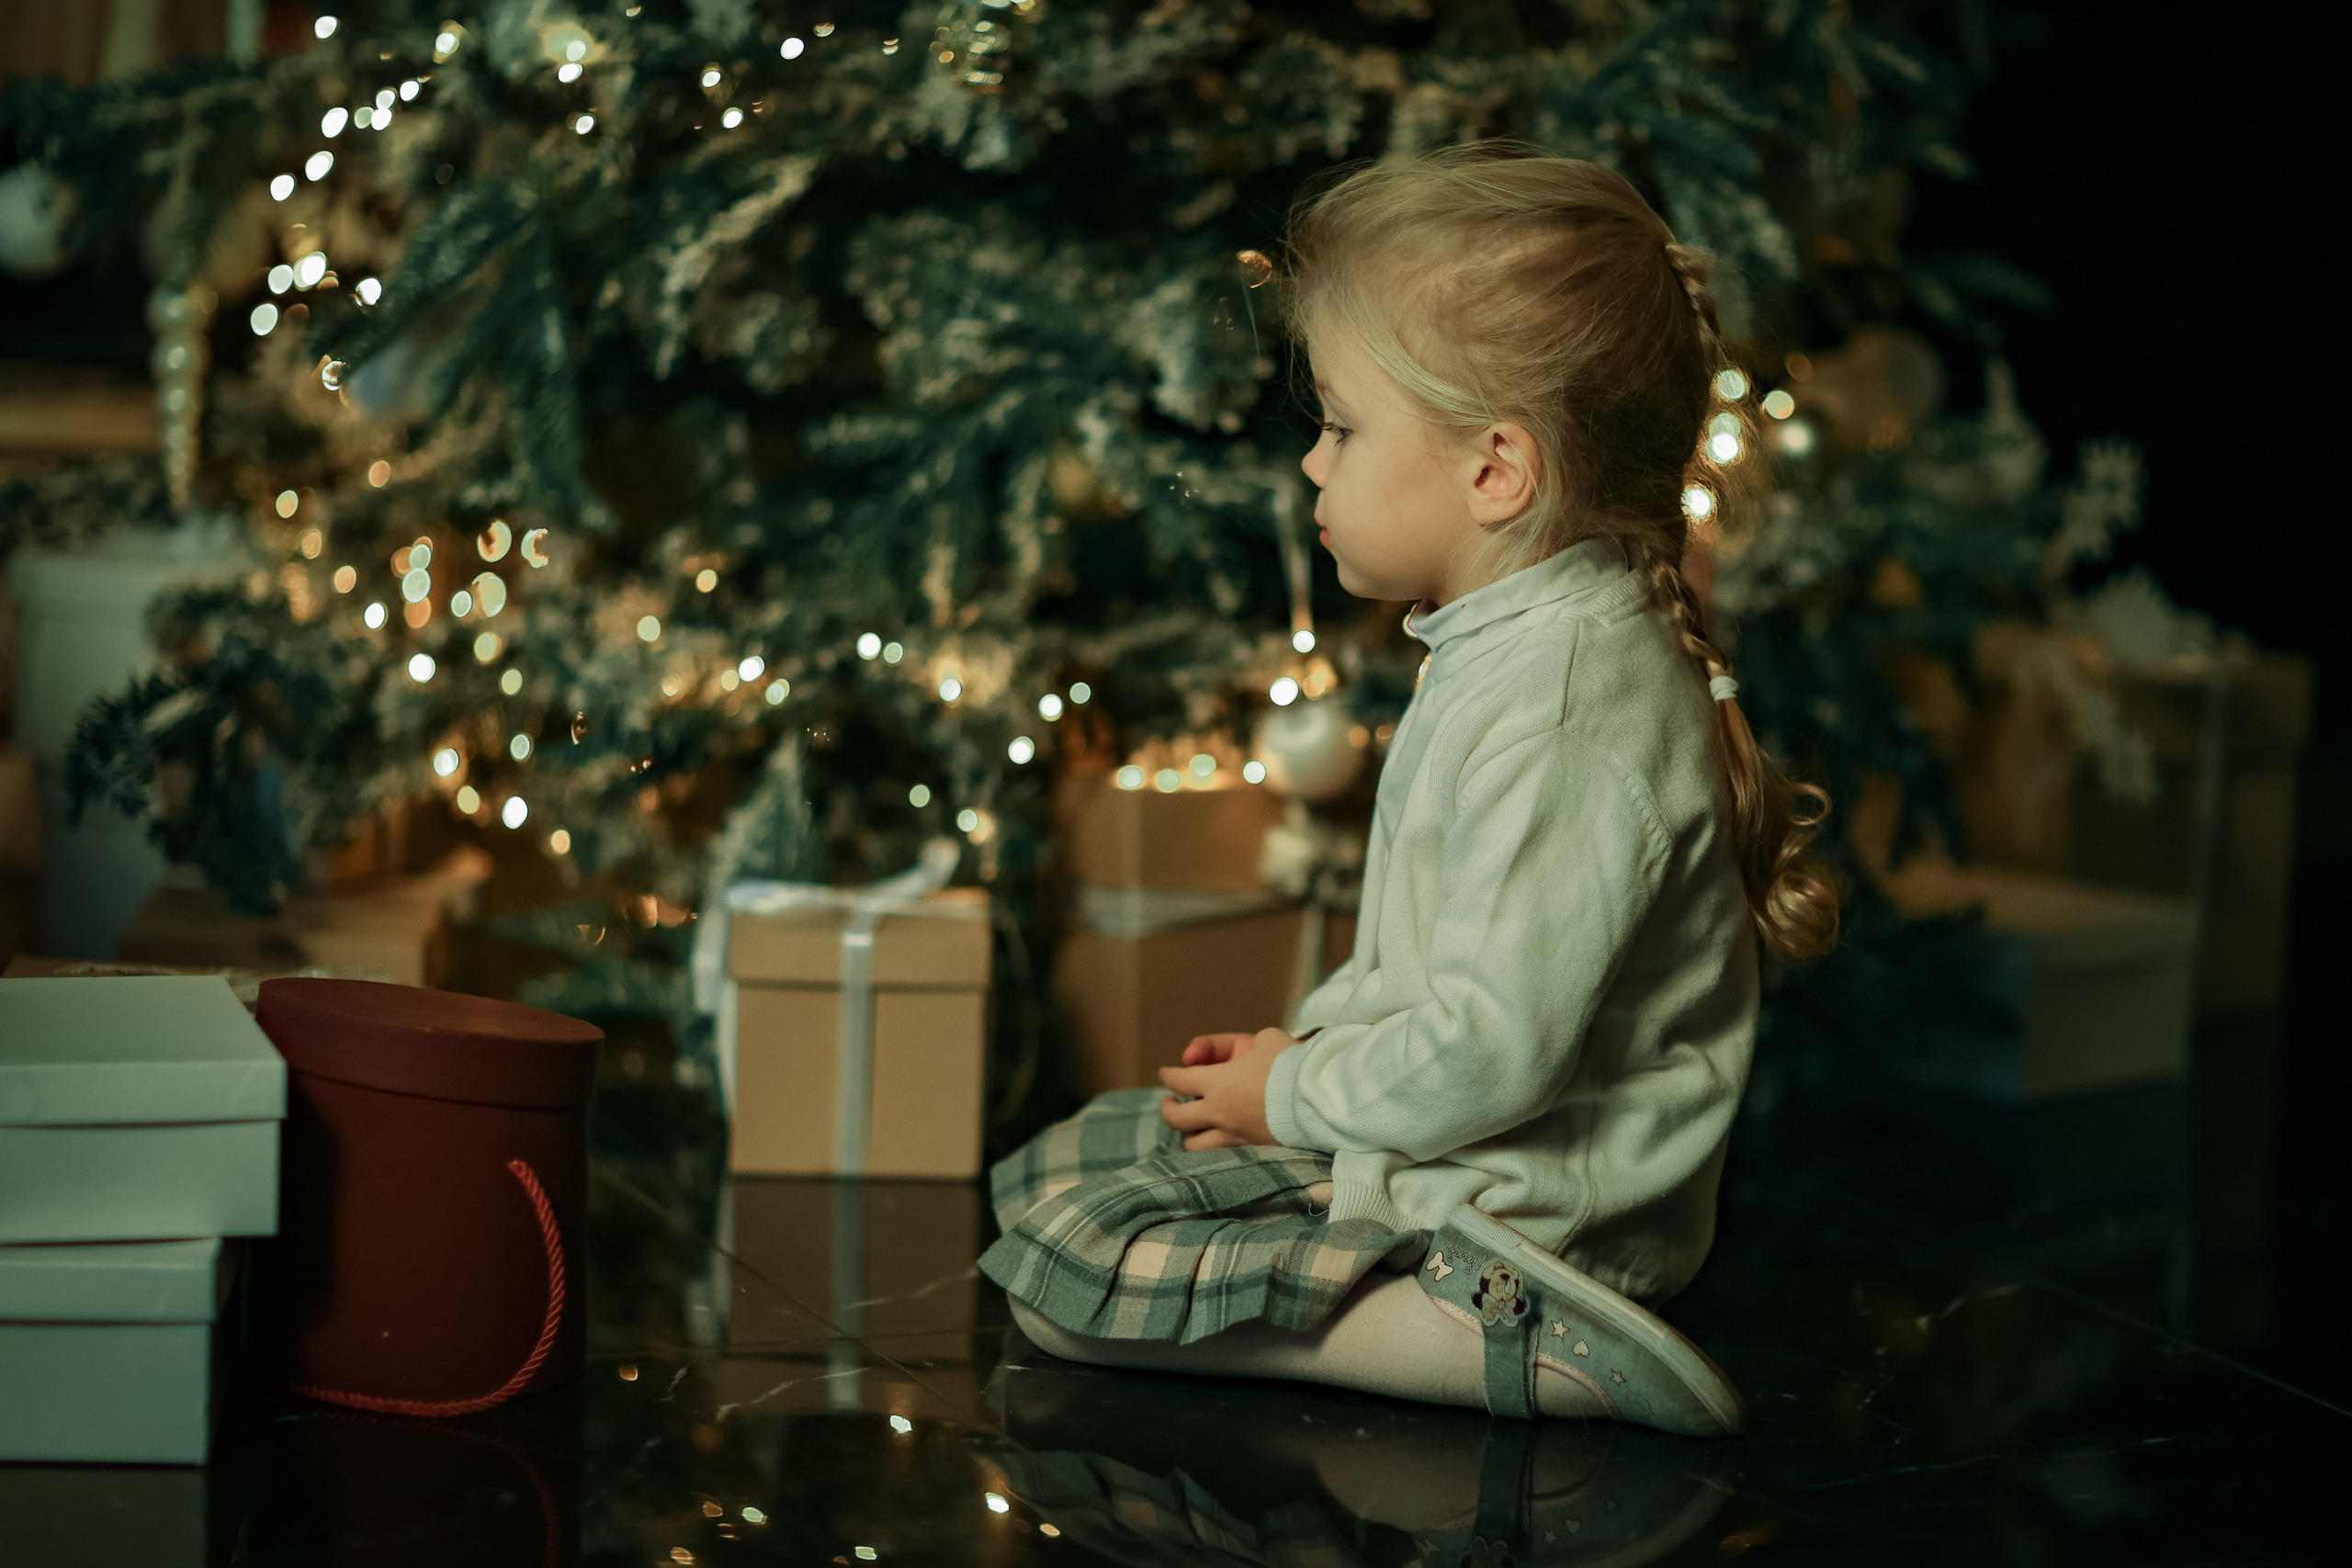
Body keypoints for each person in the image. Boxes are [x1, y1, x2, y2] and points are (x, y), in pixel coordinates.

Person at [979, 145, 1838, 1434]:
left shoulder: (1564, 713)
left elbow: (1492, 1053)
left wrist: (1292, 1098)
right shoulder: (1513, 642)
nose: (1316, 465)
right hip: (1434, 1149)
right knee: (1067, 1165)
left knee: (1062, 1287)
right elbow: (1444, 993)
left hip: (1526, 1217)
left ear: (1497, 471)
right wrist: (1301, 1068)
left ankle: (1506, 1342)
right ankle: (1411, 1297)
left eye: (1341, 426)